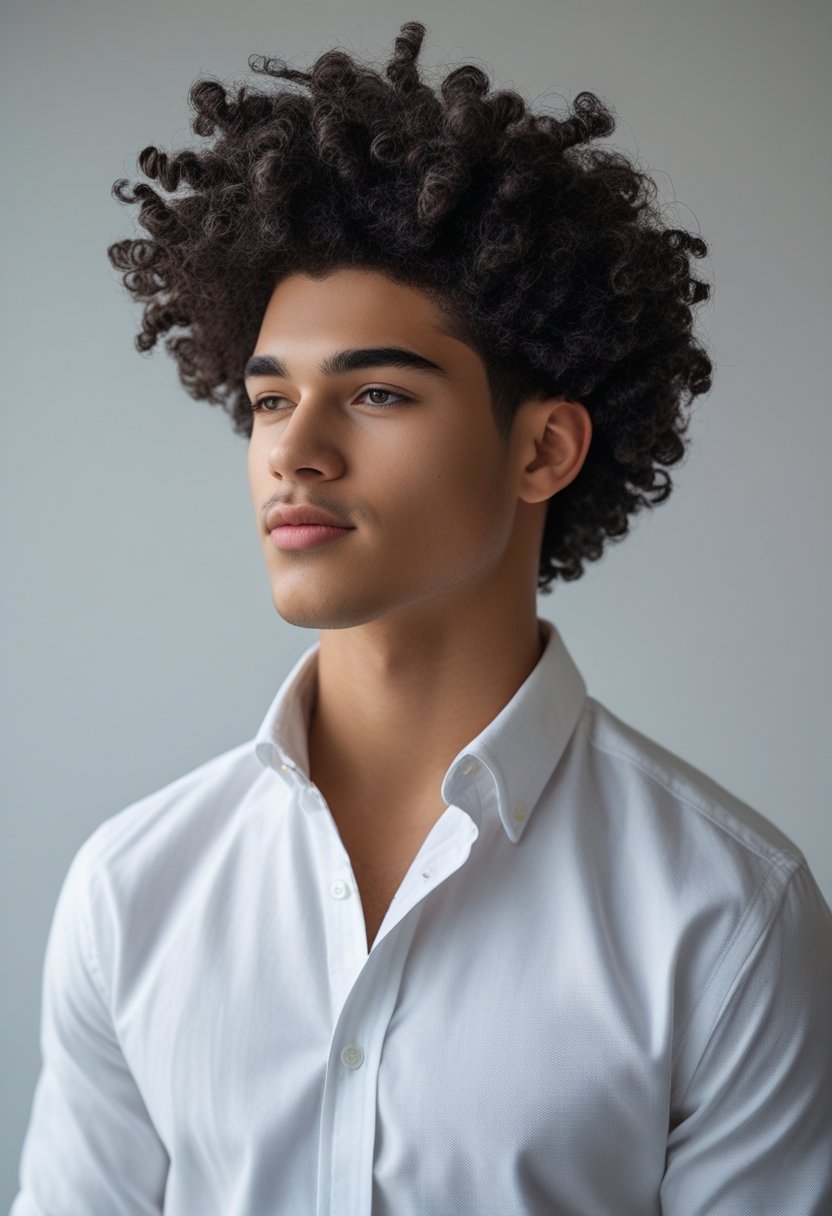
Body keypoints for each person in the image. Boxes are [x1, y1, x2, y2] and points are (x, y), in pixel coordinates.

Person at [11, 19, 832, 1216]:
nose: (295, 450)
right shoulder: (133, 891)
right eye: (268, 399)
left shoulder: (726, 916)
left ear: (543, 447)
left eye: (378, 391)